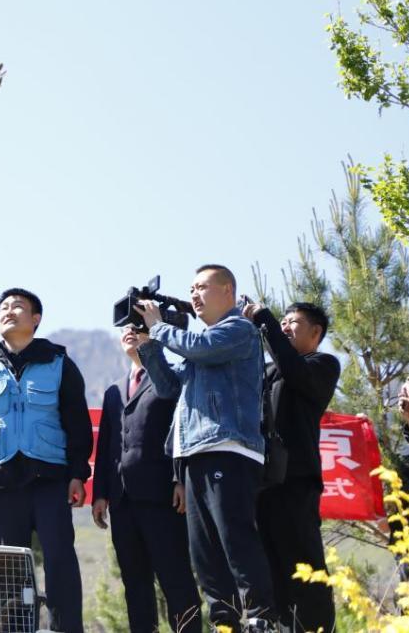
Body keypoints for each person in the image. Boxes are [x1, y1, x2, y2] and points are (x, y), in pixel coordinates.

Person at [134, 265, 277, 632]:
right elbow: (167, 386)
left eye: (202, 287)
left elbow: (202, 347)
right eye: (191, 288)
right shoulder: (201, 348)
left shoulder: (239, 330)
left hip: (228, 448)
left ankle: (260, 616)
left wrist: (159, 326)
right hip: (196, 453)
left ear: (228, 290)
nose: (194, 294)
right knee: (204, 548)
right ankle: (225, 619)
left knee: (234, 535)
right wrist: (148, 346)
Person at [0, 288, 93, 633]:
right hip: (0, 484)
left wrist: (78, 473)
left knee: (60, 559)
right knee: (7, 571)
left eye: (17, 306)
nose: (9, 311)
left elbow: (77, 422)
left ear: (35, 319)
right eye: (3, 306)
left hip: (49, 480)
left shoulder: (59, 362)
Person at [92, 326, 201, 633]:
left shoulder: (170, 378)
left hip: (163, 497)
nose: (130, 333)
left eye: (139, 329)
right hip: (123, 501)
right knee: (135, 583)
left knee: (175, 578)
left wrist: (181, 478)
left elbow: (184, 430)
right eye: (126, 329)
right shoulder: (114, 390)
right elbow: (107, 447)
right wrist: (100, 493)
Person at [243, 300, 339, 632]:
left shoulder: (322, 364)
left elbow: (292, 368)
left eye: (292, 322)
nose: (284, 326)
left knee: (304, 565)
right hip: (261, 483)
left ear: (316, 332)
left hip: (296, 483)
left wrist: (264, 318)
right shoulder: (268, 370)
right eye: (281, 321)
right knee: (268, 569)